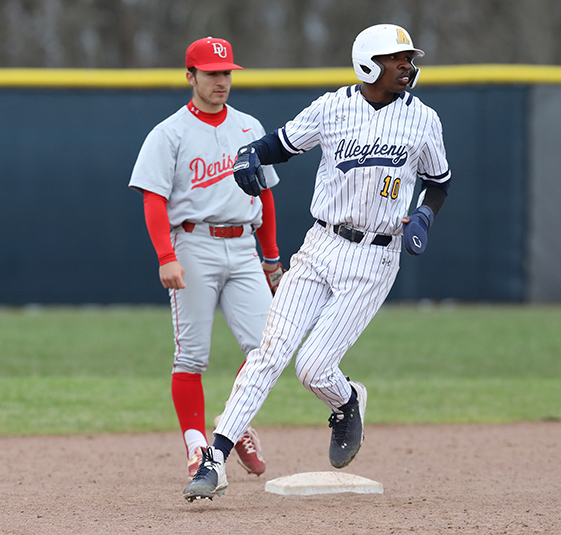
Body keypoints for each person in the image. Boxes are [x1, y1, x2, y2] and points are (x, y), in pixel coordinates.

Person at [183, 24, 451, 502]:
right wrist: (248, 156)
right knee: (269, 353)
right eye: (398, 58)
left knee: (312, 367)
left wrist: (426, 215)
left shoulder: (424, 119)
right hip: (320, 245)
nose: (408, 66)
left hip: (374, 258)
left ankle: (347, 400)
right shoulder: (332, 108)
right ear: (369, 63)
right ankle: (215, 459)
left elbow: (439, 181)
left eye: (409, 58)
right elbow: (277, 146)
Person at [129, 37, 285, 480]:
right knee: (192, 356)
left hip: (243, 247)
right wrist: (166, 255)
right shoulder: (170, 132)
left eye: (227, 73)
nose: (222, 81)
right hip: (192, 244)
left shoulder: (249, 127)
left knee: (268, 349)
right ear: (191, 76)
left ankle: (231, 425)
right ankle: (196, 447)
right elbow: (153, 200)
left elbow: (265, 194)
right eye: (212, 73)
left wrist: (271, 258)